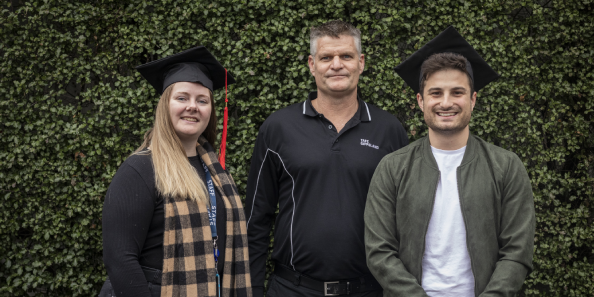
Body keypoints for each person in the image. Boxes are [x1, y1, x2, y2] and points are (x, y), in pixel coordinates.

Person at [364, 26, 535, 297]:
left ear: (473, 99)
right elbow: (379, 252)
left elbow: (517, 251)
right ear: (420, 101)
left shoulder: (506, 166)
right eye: (435, 93)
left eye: (457, 92)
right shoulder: (392, 168)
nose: (446, 103)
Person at [245, 20, 410, 297]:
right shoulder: (278, 128)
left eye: (346, 56)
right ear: (312, 64)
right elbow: (256, 218)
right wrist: (249, 289)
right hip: (292, 289)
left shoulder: (389, 130)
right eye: (326, 57)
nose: (336, 64)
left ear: (361, 62)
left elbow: (404, 221)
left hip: (368, 289)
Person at [101, 46, 252, 297]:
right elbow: (120, 260)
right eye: (182, 98)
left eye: (202, 100)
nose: (193, 106)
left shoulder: (216, 172)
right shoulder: (140, 169)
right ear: (165, 106)